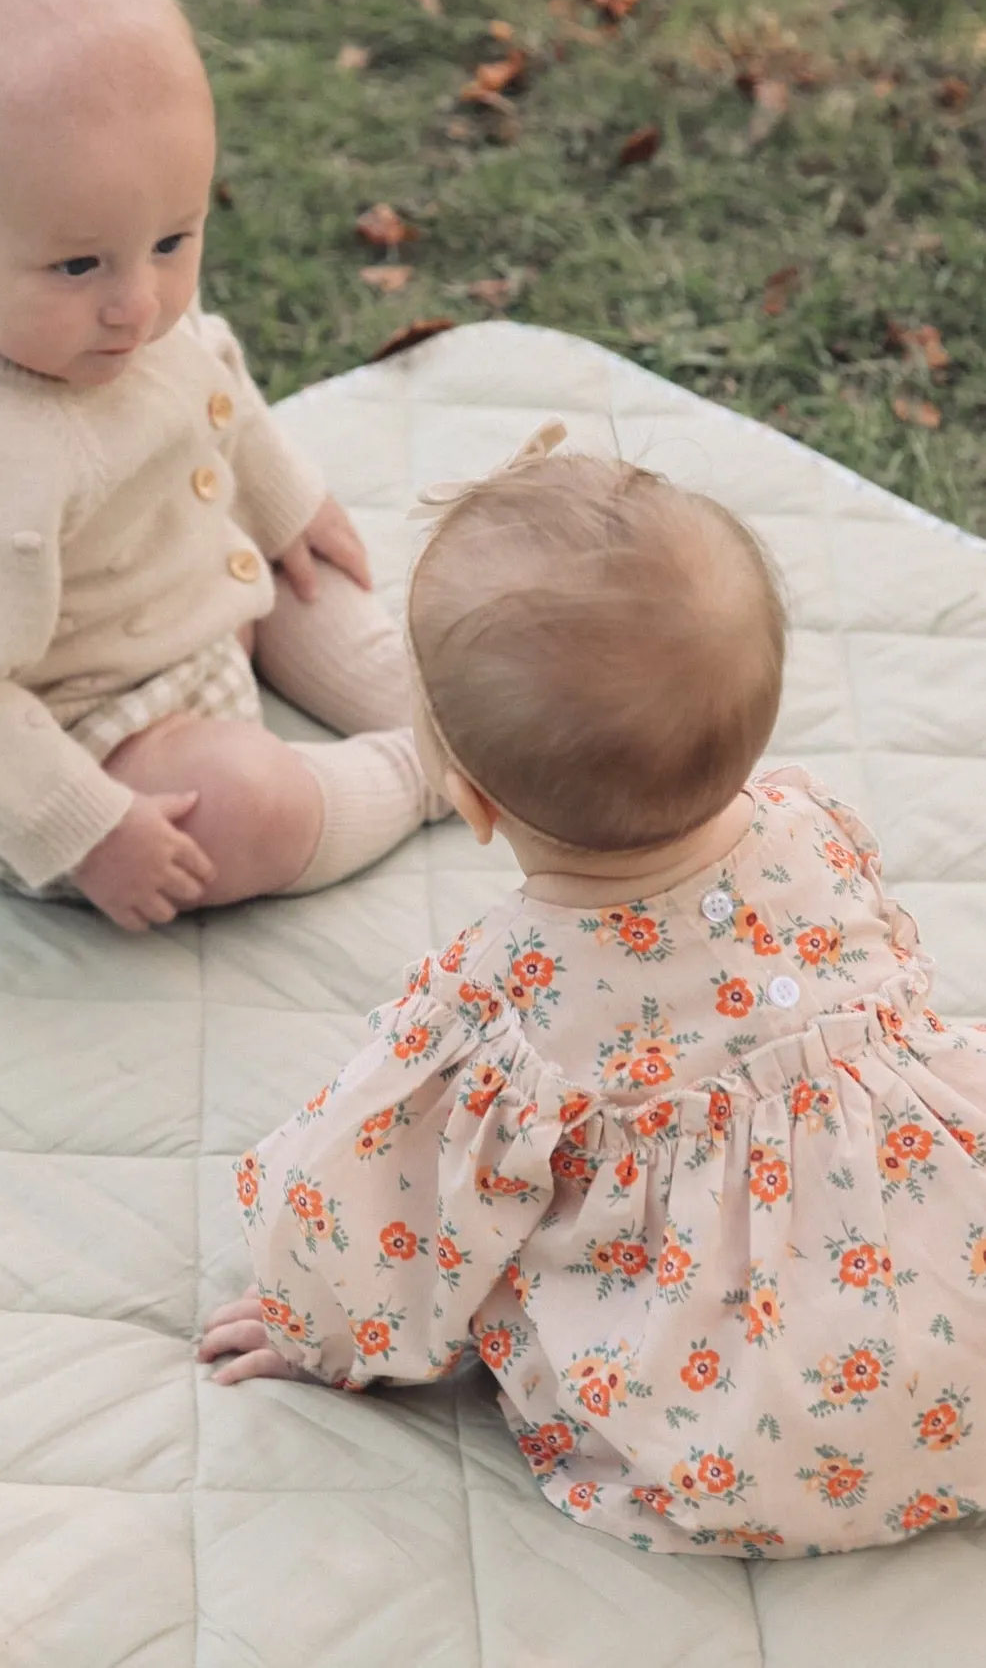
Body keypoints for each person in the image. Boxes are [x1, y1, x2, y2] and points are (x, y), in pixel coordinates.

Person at [200, 422, 986, 1558]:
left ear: (469, 804)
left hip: (740, 1444)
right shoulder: (813, 828)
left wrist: (319, 1324)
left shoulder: (508, 1006)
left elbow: (393, 1199)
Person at [0, 0, 443, 933]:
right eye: (80, 266)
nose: (138, 304)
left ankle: (453, 716)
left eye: (171, 241)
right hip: (53, 743)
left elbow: (211, 377)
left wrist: (284, 500)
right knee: (244, 807)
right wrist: (91, 828)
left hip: (177, 597)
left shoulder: (108, 300)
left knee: (312, 578)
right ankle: (416, 775)